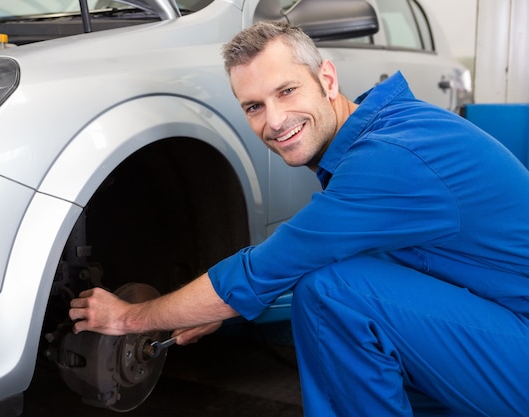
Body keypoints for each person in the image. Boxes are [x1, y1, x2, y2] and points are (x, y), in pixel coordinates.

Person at [69, 21, 529, 416]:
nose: (275, 120)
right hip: (500, 323)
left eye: (287, 91)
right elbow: (326, 253)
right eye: (254, 106)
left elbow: (267, 269)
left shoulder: (389, 159)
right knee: (340, 283)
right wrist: (213, 309)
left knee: (334, 295)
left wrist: (131, 319)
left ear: (326, 78)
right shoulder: (387, 127)